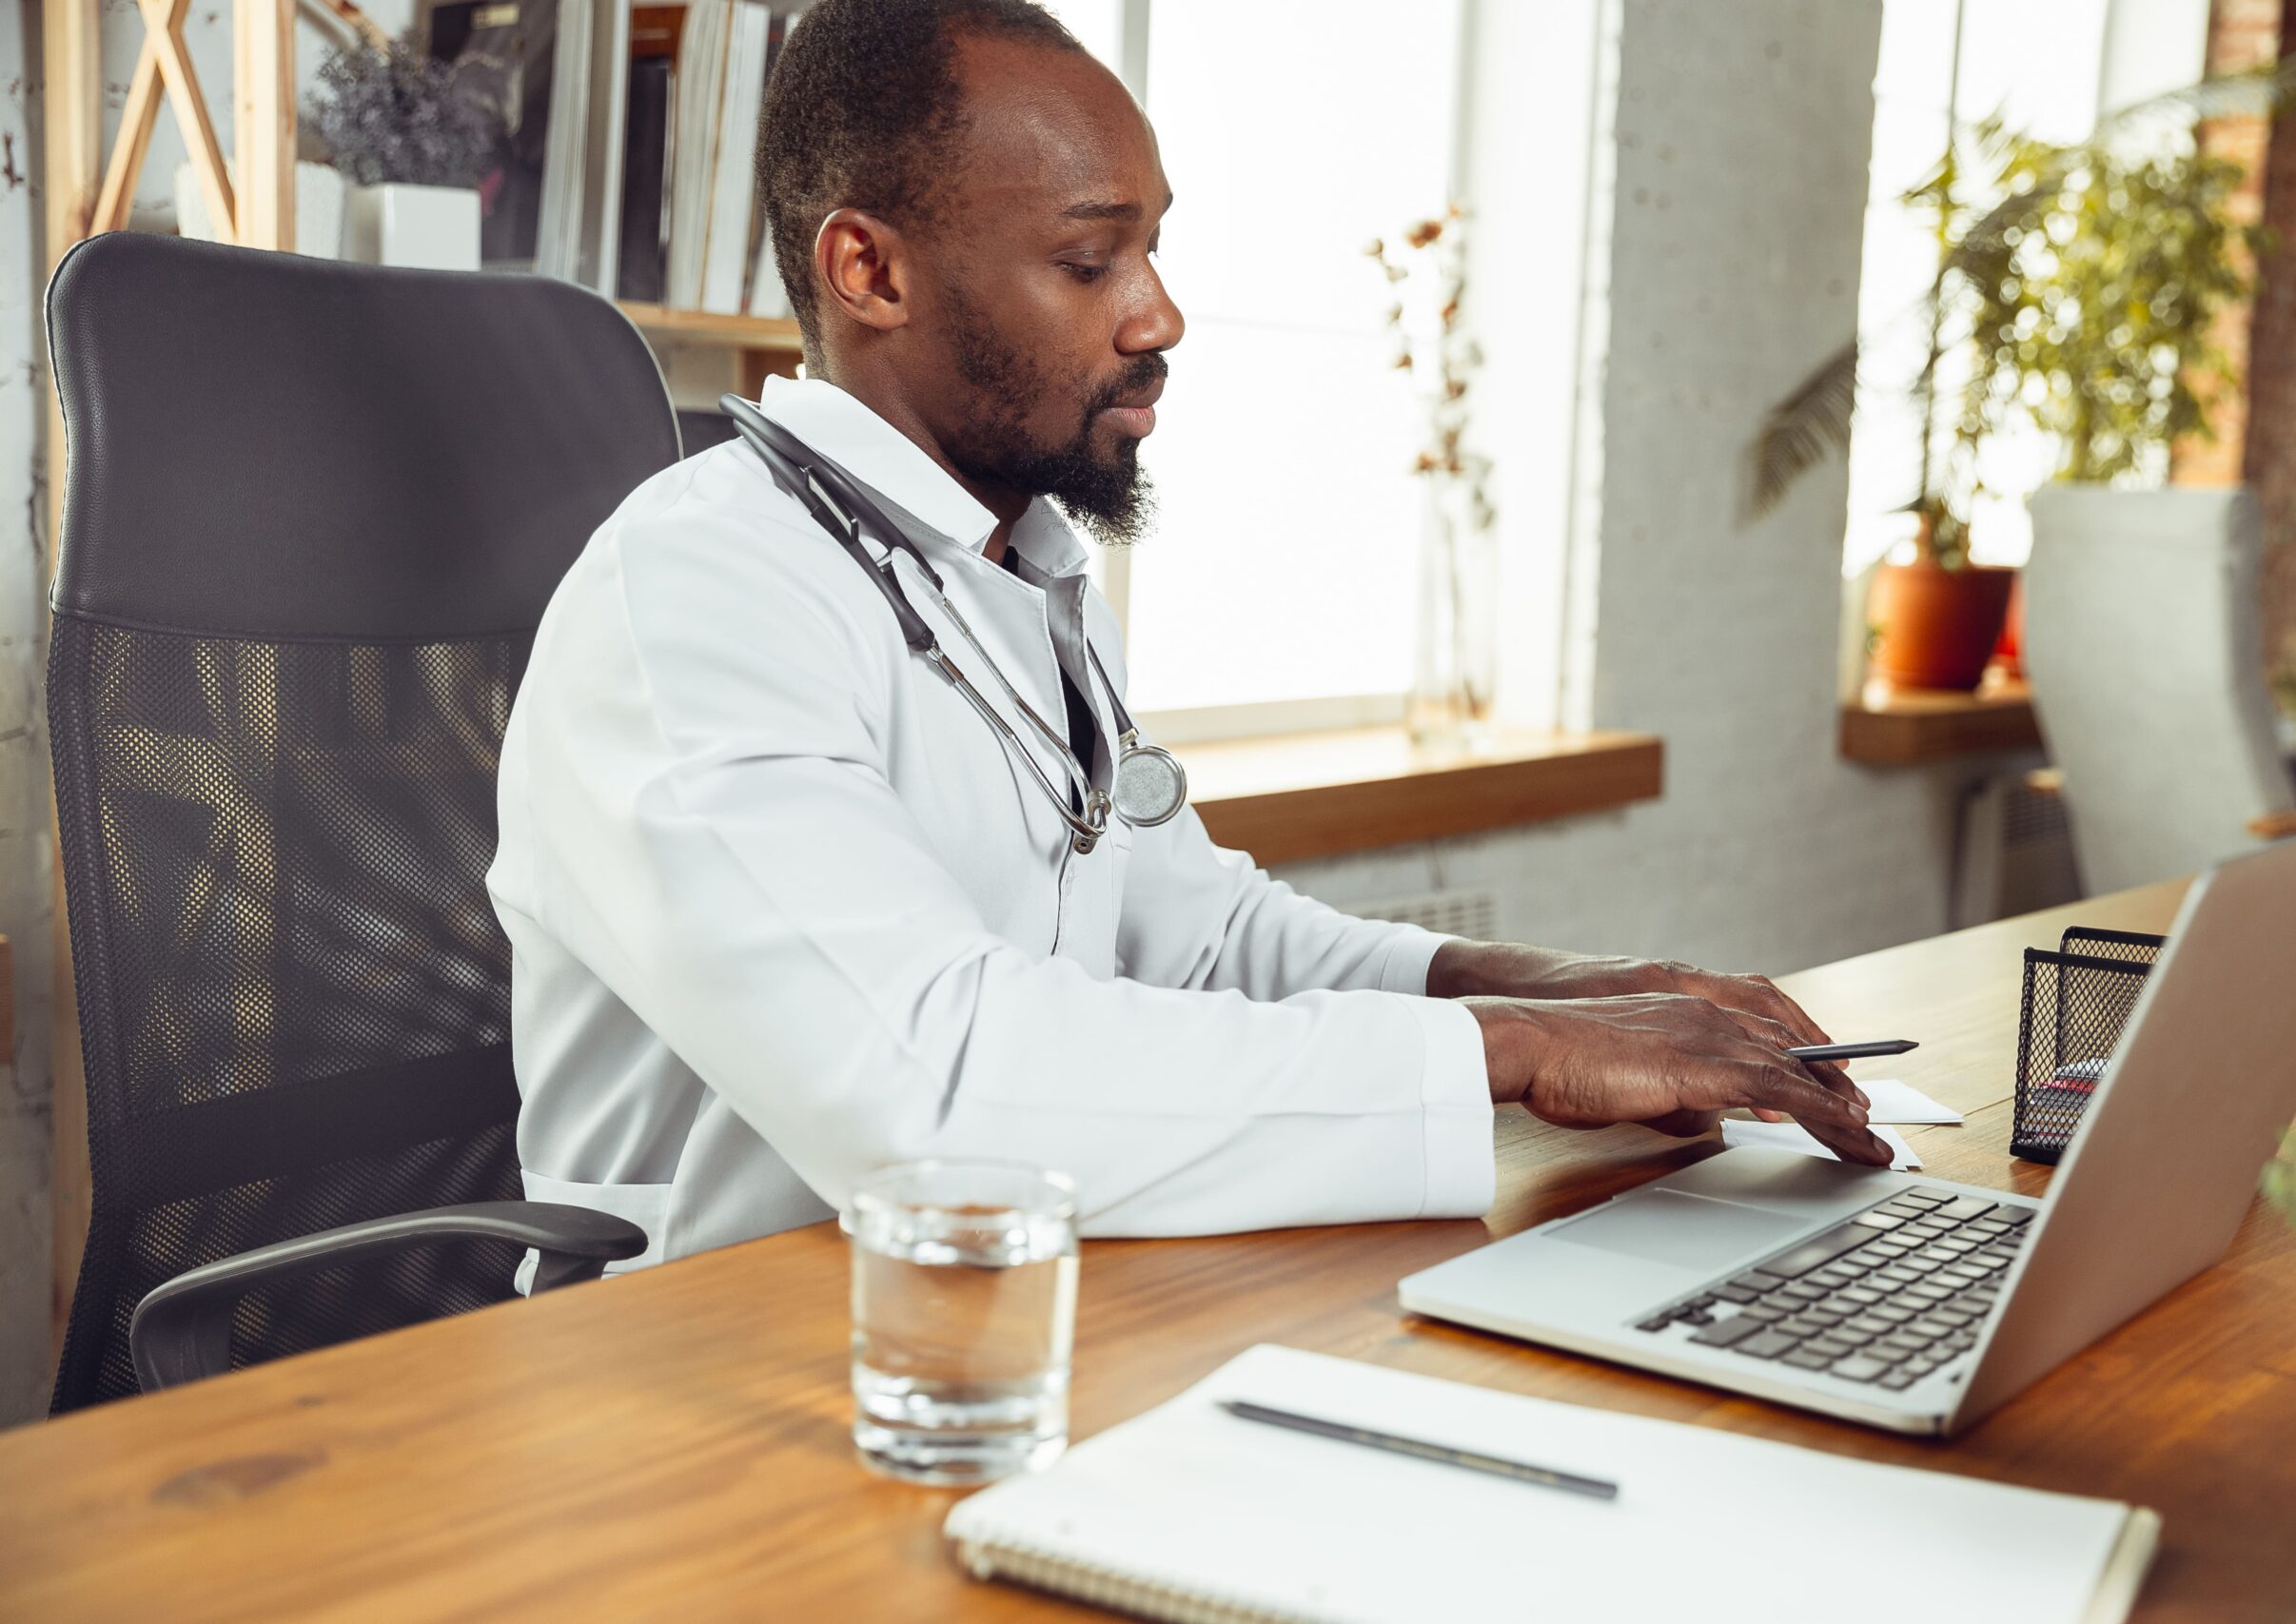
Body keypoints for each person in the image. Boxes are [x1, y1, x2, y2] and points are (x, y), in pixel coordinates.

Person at [486, 0, 1887, 1280]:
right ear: (870, 271)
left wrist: (1570, 993)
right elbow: (935, 1091)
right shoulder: (700, 591)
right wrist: (1509, 1053)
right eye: (1090, 260)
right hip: (710, 1363)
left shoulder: (1016, 574)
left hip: (1002, 1294)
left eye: (1152, 248)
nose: (1159, 315)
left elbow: (1200, 940)